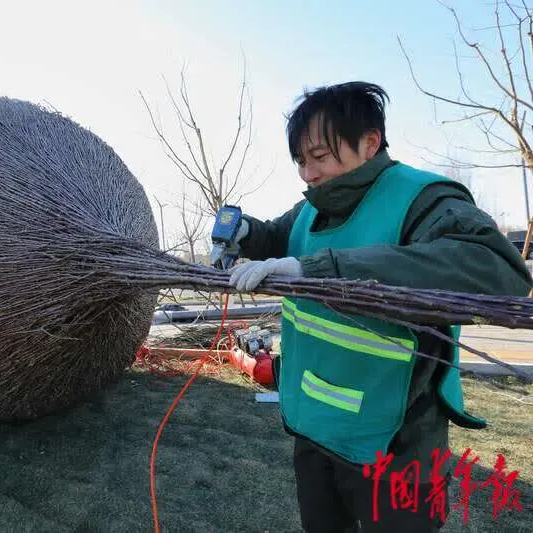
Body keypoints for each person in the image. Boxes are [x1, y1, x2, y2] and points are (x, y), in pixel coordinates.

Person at [226, 82, 532, 533]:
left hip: (397, 439)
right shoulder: (312, 208)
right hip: (315, 424)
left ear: (369, 143)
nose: (308, 173)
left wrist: (323, 268)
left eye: (320, 156)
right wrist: (246, 233)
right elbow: (279, 237)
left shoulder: (425, 200)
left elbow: (495, 270)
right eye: (301, 161)